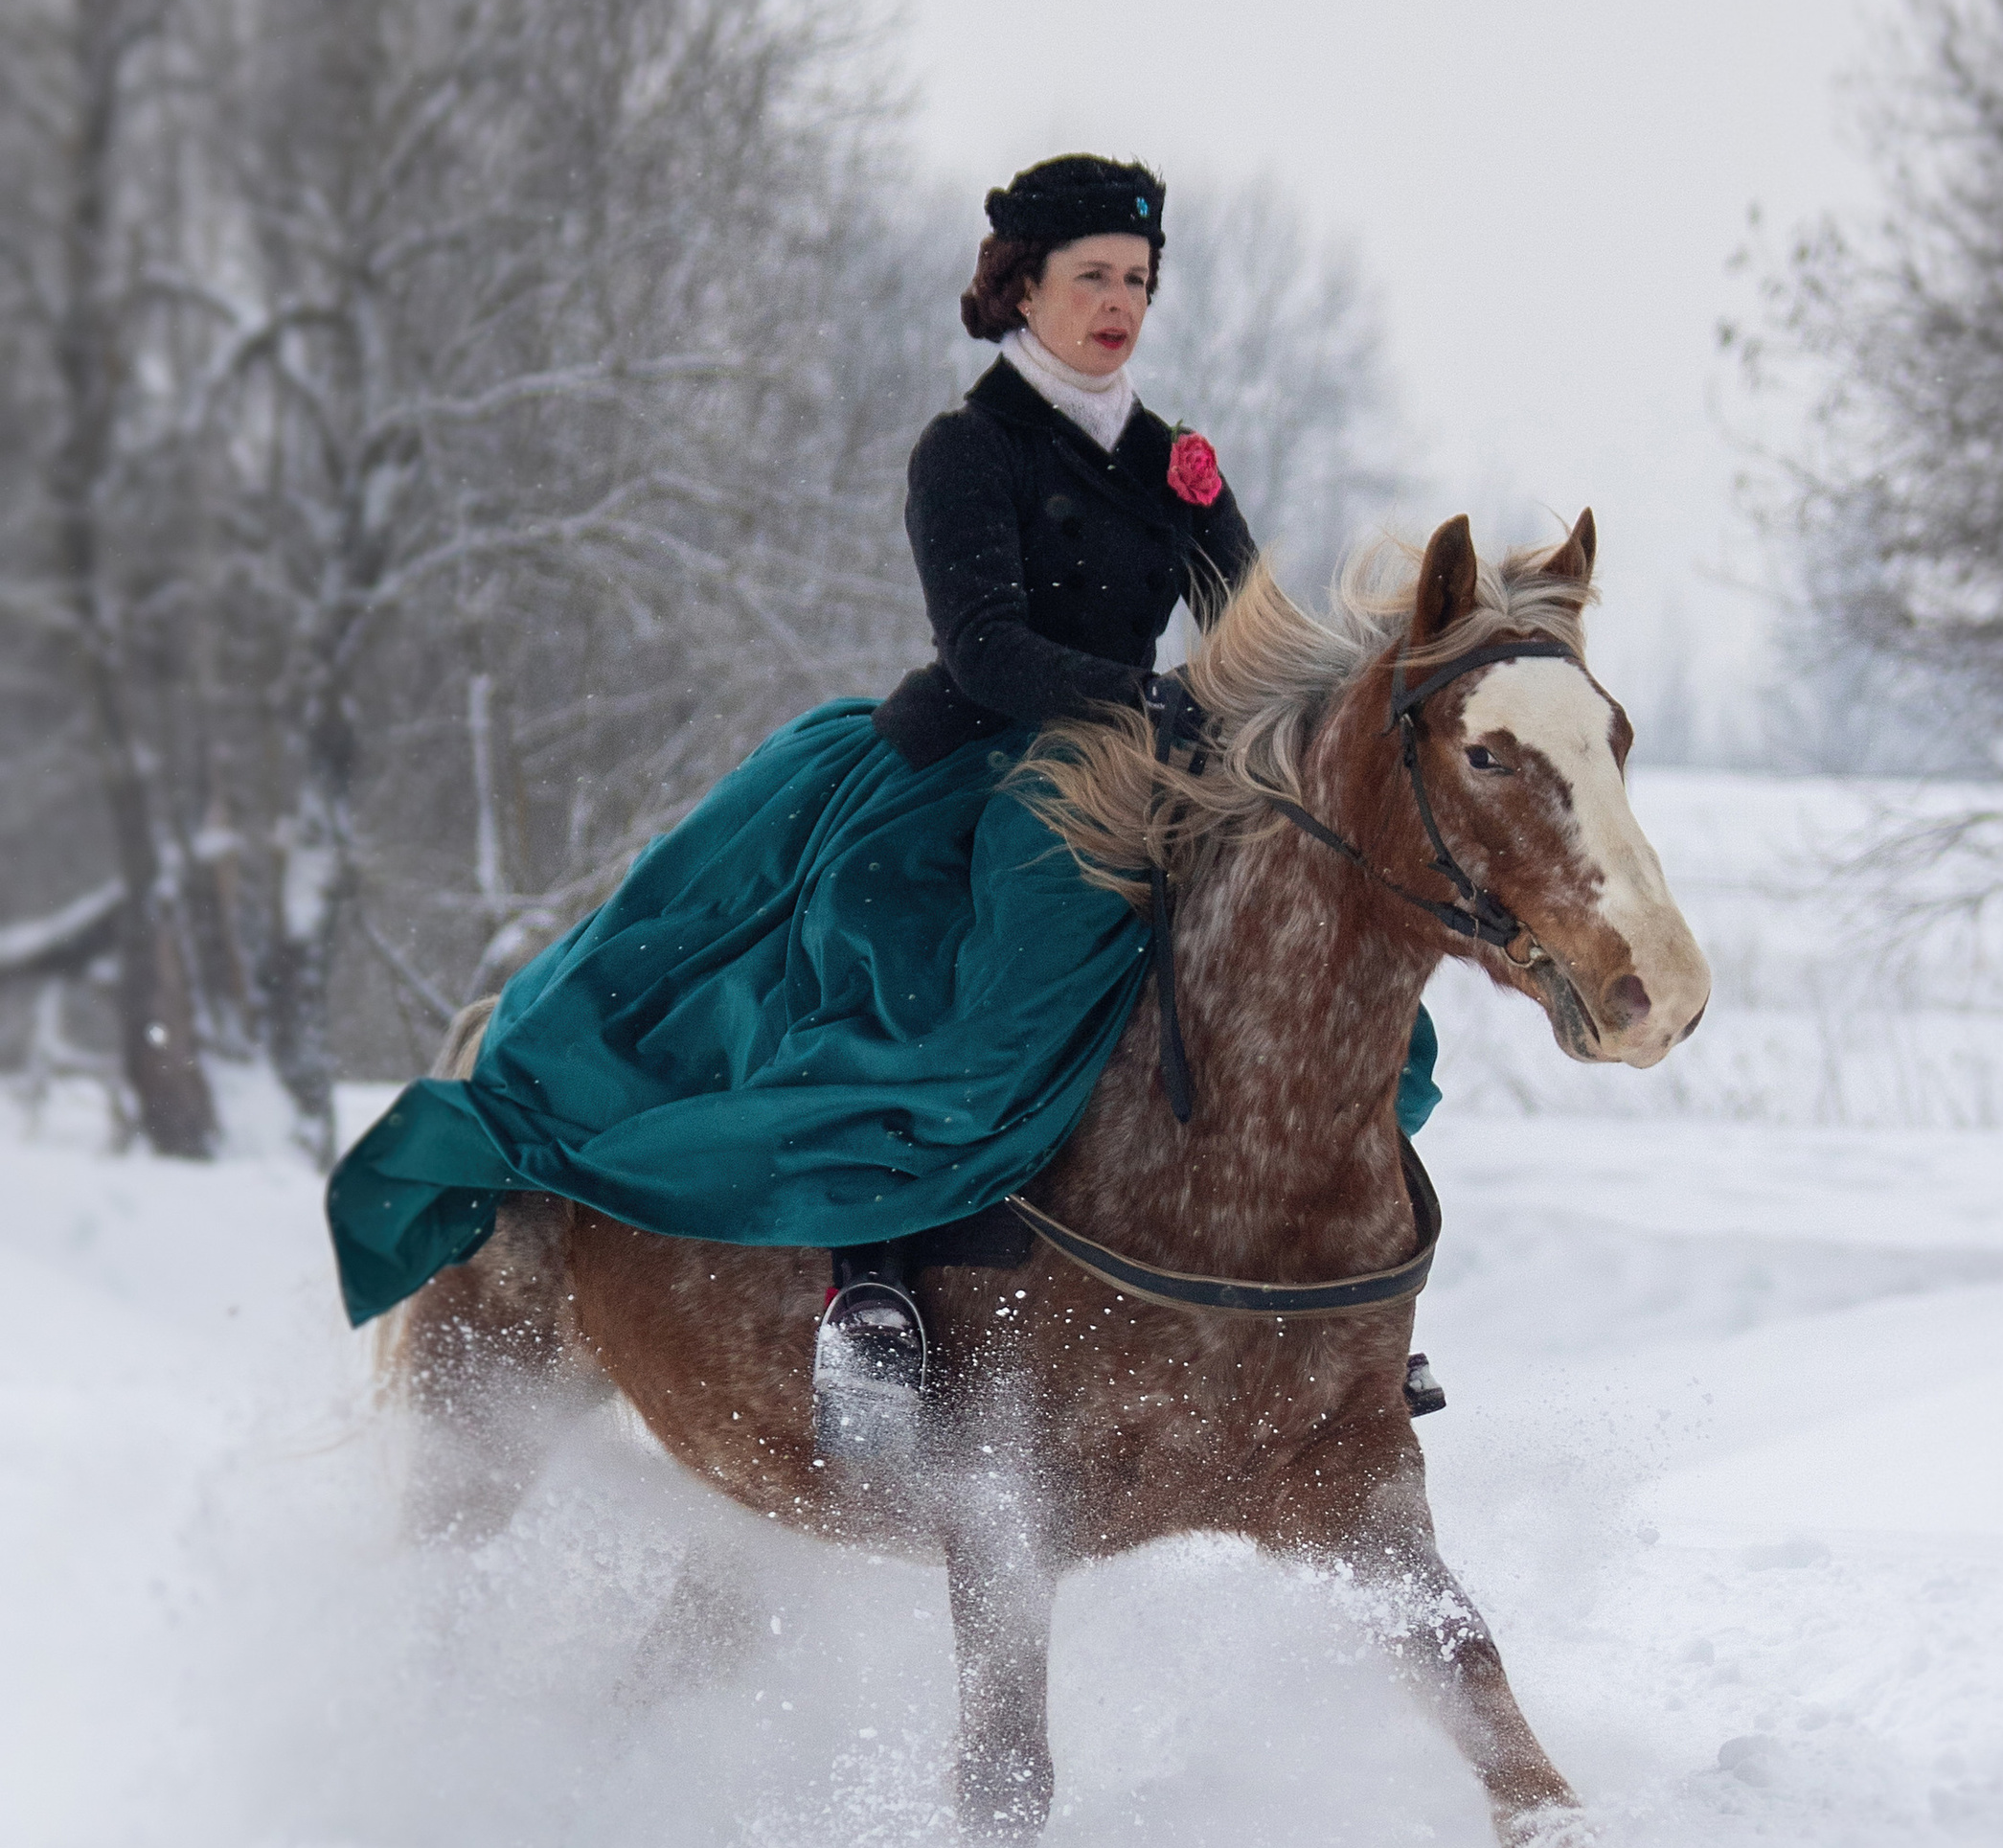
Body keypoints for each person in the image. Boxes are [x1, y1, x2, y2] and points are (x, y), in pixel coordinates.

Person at [325, 155, 1362, 1369]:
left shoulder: (1175, 459)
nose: (1119, 301)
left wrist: (1321, 708)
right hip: (976, 771)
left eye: (1136, 278)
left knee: (1314, 945)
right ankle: (867, 1277)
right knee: (921, 997)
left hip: (1152, 765)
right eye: (1092, 276)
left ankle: (1332, 1287)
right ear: (1023, 288)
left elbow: (1246, 621)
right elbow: (987, 652)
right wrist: (1144, 697)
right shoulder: (969, 449)